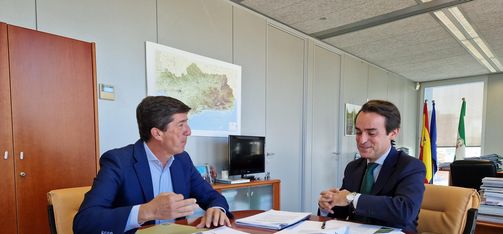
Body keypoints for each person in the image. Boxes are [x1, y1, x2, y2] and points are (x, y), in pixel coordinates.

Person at [74, 96, 232, 233]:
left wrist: (216, 209)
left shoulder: (182, 160)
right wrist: (146, 211)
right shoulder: (118, 161)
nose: (188, 131)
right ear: (157, 133)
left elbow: (212, 196)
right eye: (180, 125)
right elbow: (85, 223)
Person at [318, 100, 425, 233]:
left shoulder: (411, 166)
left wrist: (351, 197)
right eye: (358, 132)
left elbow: (405, 211)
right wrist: (327, 205)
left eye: (371, 133)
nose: (362, 140)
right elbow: (342, 211)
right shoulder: (353, 167)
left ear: (393, 133)